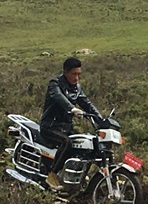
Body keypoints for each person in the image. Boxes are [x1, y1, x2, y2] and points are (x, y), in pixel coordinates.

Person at [38, 56, 102, 190]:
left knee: (84, 143)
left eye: (79, 74)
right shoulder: (55, 84)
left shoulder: (76, 88)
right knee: (67, 142)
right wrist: (72, 108)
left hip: (66, 127)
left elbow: (87, 104)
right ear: (65, 72)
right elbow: (59, 97)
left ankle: (77, 175)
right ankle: (52, 175)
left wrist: (101, 120)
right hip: (50, 126)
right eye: (74, 74)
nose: (77, 78)